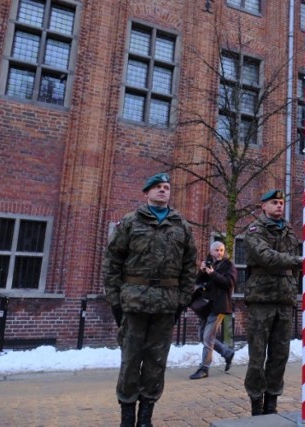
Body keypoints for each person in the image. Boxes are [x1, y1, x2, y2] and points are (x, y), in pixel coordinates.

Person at [103, 172, 197, 427]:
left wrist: (182, 300)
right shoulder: (130, 222)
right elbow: (112, 262)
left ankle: (146, 417)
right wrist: (115, 301)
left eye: (166, 187)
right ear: (146, 193)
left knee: (156, 362)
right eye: (157, 187)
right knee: (131, 360)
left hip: (166, 304)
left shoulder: (181, 226)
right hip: (133, 302)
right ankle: (127, 417)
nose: (162, 191)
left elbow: (190, 267)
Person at [243, 189, 303, 416]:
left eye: (281, 202)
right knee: (257, 356)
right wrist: (297, 261)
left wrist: (293, 278)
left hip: (284, 300)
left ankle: (272, 403)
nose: (279, 206)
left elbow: (293, 269)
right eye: (274, 203)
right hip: (262, 300)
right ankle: (256, 404)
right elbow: (266, 257)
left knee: (280, 355)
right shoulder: (254, 230)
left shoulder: (289, 231)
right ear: (263, 207)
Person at [189, 241, 237, 380]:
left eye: (221, 250)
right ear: (211, 251)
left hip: (219, 306)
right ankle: (227, 353)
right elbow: (198, 282)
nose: (219, 253)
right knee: (202, 336)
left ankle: (204, 368)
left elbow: (229, 284)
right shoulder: (211, 264)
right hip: (206, 306)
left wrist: (213, 274)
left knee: (207, 338)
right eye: (216, 250)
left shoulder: (229, 266)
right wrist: (202, 271)